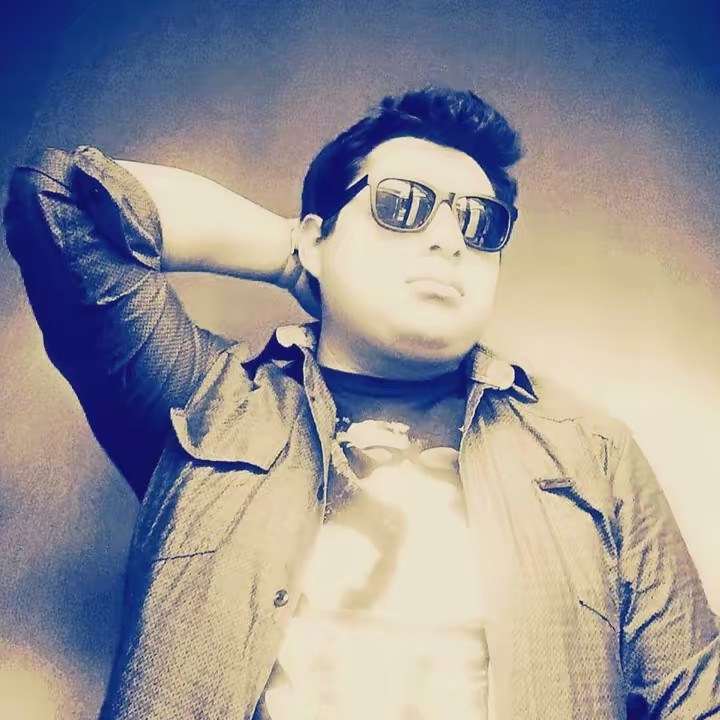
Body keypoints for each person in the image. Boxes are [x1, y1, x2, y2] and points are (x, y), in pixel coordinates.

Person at [4, 86, 718, 720]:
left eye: (481, 223)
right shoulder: (208, 403)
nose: (449, 240)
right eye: (402, 205)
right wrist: (289, 253)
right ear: (318, 236)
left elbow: (696, 700)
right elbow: (57, 199)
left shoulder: (592, 453)